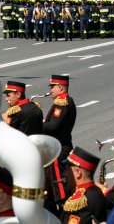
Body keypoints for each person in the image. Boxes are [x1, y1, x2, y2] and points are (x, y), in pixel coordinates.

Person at [43, 74, 77, 211]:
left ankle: (62, 204)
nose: (50, 90)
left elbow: (53, 126)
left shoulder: (62, 103)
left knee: (58, 182)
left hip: (59, 148)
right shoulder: (61, 101)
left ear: (60, 87)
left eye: (52, 87)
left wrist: (37, 122)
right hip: (60, 144)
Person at [60, 147, 106, 224]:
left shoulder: (86, 198)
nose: (64, 174)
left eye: (67, 170)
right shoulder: (90, 192)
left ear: (78, 172)